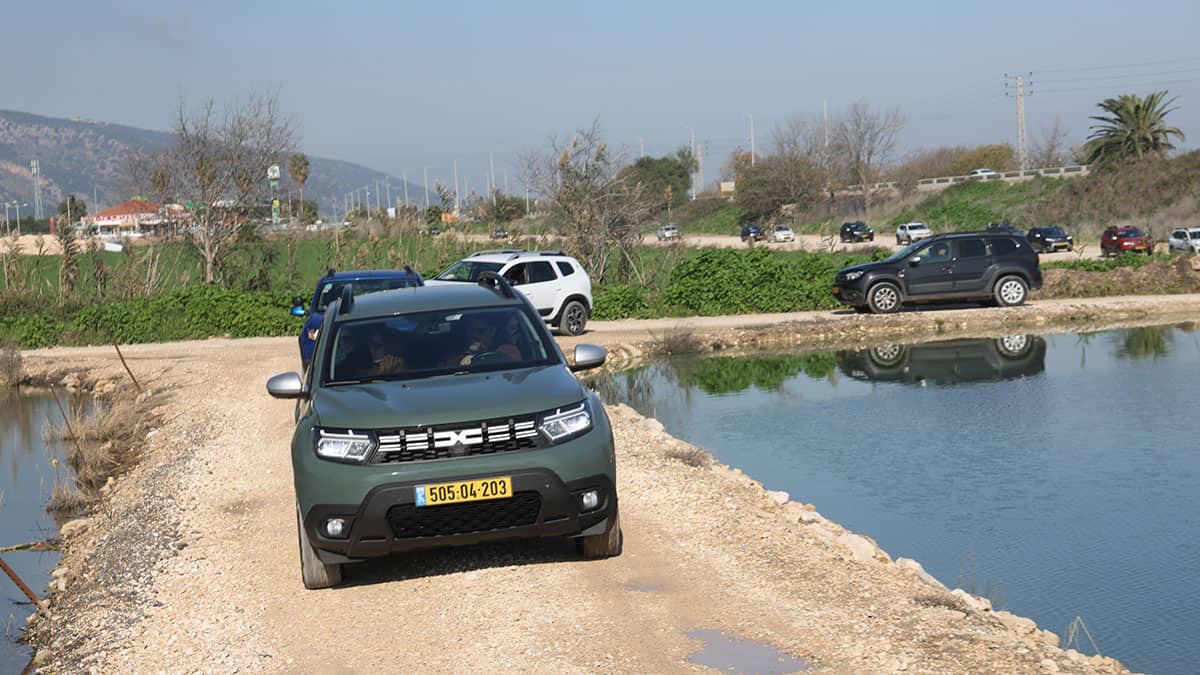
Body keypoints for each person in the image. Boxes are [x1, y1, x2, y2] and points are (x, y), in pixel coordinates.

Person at [450, 315, 520, 366]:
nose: (474, 335)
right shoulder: (454, 351)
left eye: (480, 331)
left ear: (492, 331)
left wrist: (475, 358)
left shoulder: (507, 349)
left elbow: (511, 369)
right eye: (470, 330)